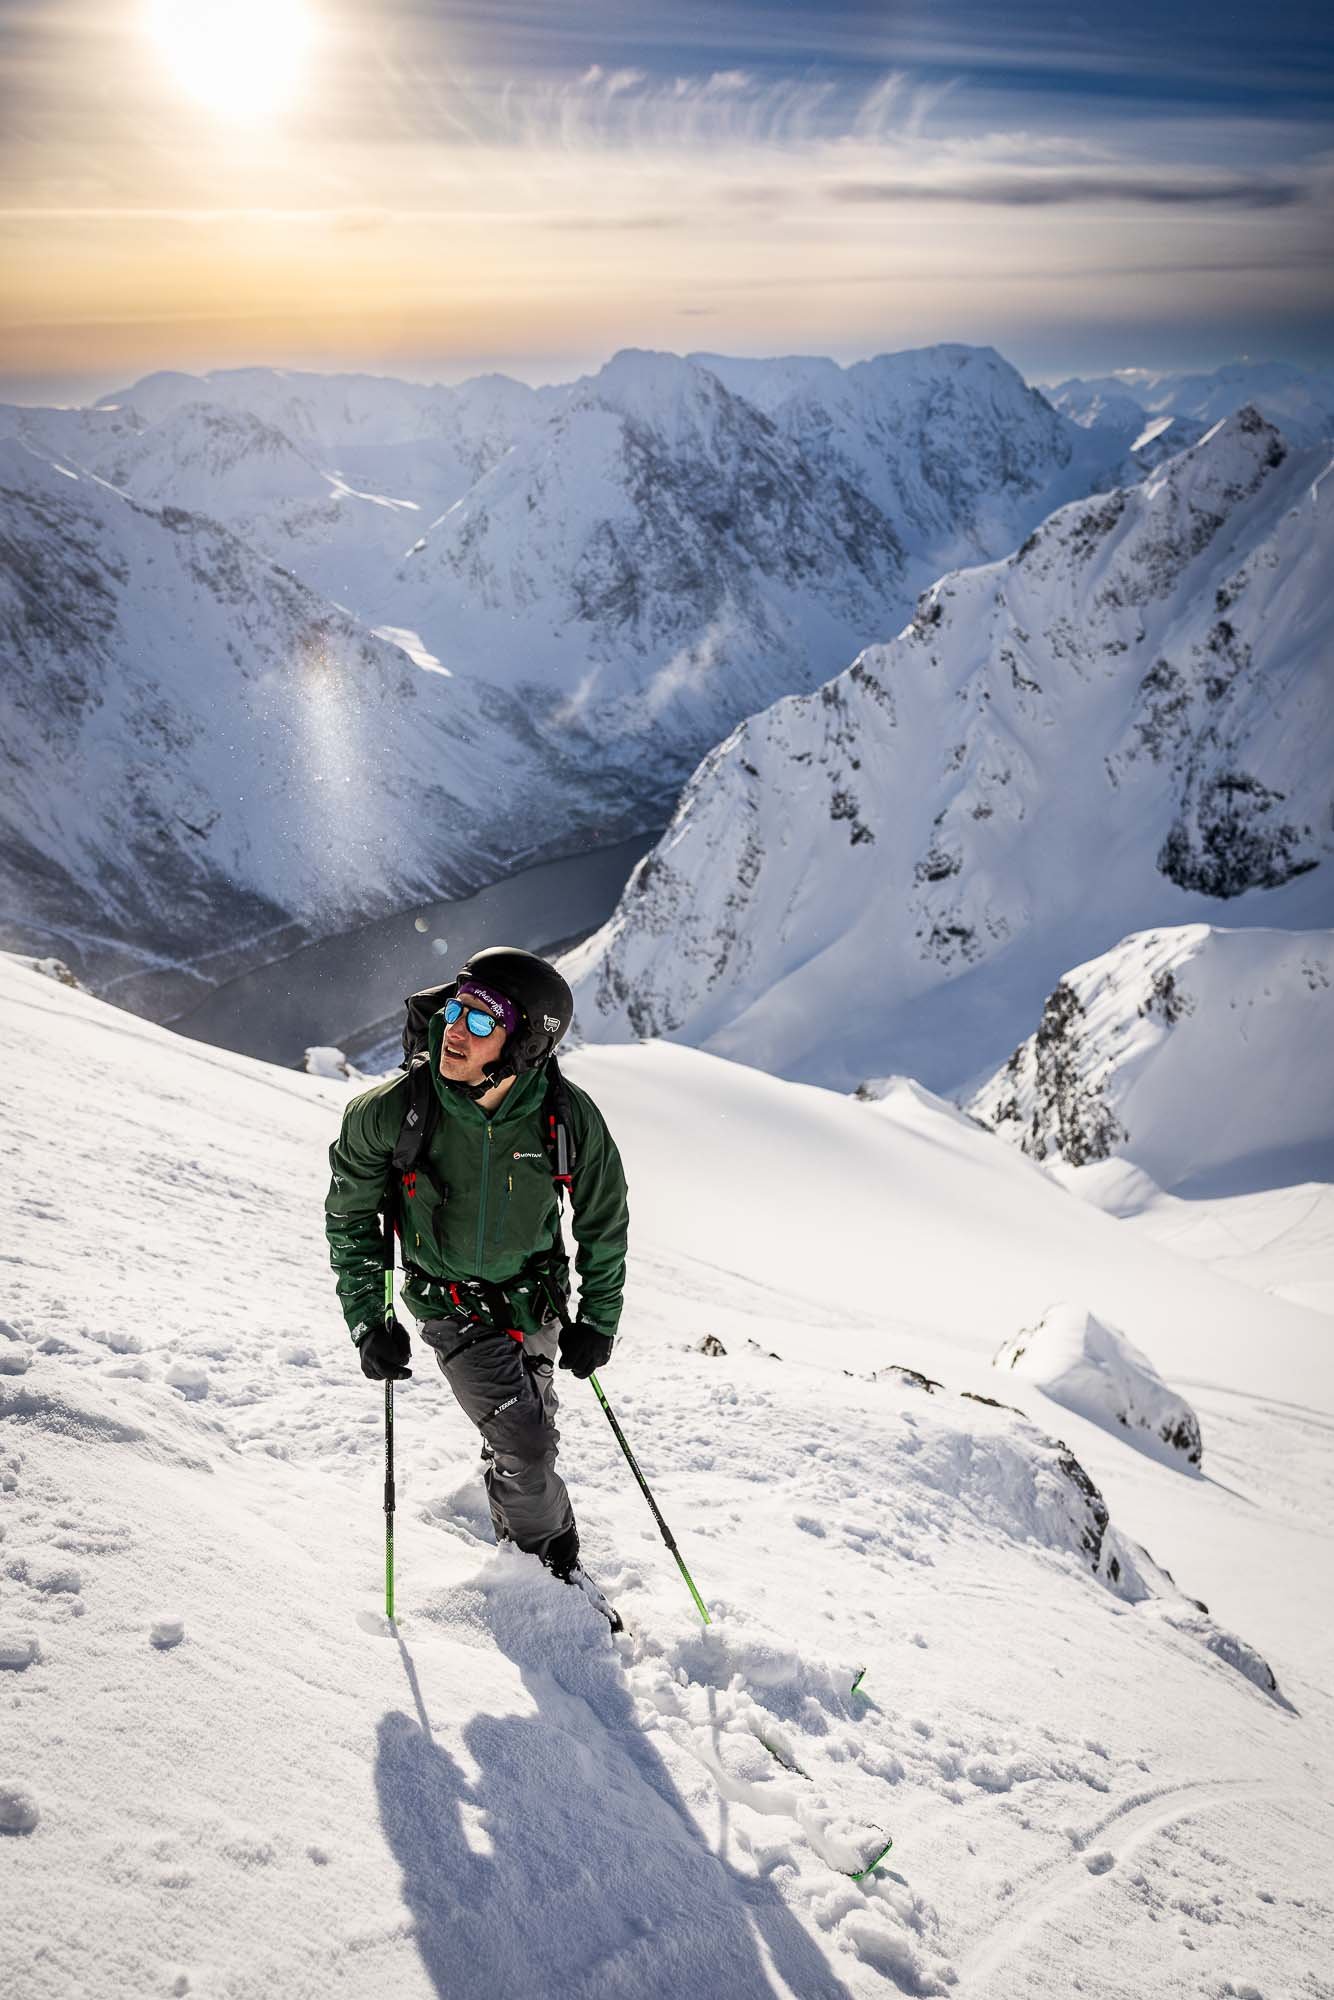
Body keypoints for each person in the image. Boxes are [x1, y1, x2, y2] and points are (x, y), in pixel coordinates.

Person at [324, 946, 629, 1616]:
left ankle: (513, 1504)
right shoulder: (393, 1113)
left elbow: (603, 1221)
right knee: (528, 1444)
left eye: (483, 1019)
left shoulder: (564, 1117)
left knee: (532, 1423)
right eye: (457, 1007)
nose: (456, 1027)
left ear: (521, 1044)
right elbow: (352, 1219)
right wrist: (367, 1319)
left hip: (540, 1301)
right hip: (451, 1307)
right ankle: (550, 1569)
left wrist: (597, 1320)